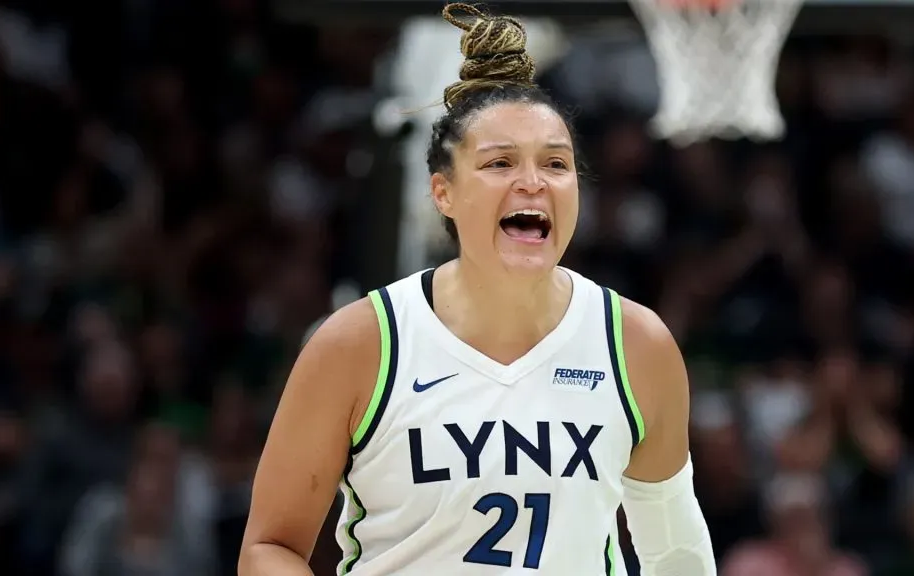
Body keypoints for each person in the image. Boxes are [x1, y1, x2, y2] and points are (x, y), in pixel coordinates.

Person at [239, 4, 716, 575]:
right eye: (500, 162)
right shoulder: (358, 343)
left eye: (556, 163)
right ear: (443, 193)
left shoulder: (636, 344)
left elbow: (676, 554)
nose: (533, 182)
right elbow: (269, 549)